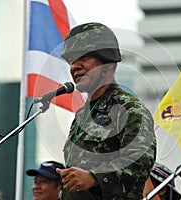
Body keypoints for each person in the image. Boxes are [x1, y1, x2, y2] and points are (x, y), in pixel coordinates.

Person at [56, 22, 156, 199]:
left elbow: (139, 161)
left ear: (108, 64)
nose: (75, 67)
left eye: (84, 57)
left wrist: (94, 178)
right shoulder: (82, 115)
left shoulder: (129, 108)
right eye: (72, 61)